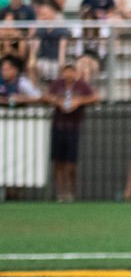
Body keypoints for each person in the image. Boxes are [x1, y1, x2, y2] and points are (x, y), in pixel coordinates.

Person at [43, 53, 98, 203]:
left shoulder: (81, 85)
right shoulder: (57, 84)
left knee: (71, 163)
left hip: (73, 127)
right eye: (66, 70)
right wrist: (57, 101)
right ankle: (60, 192)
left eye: (71, 70)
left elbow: (95, 97)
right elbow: (46, 96)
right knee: (58, 162)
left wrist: (78, 101)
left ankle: (71, 192)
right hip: (58, 126)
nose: (68, 73)